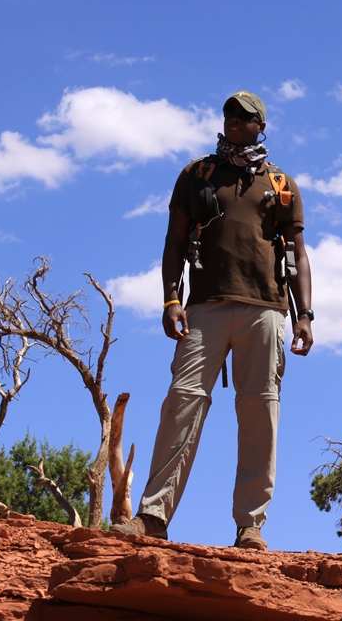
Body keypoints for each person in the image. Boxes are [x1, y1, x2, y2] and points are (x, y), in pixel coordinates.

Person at [111, 91, 314, 550]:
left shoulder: (280, 183)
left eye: (243, 117)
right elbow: (174, 241)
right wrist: (170, 299)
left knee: (260, 411)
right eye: (228, 115)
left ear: (262, 126)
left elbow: (298, 254)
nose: (233, 122)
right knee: (182, 402)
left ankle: (251, 525)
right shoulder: (197, 174)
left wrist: (306, 316)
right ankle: (153, 516)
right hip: (204, 306)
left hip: (266, 308)